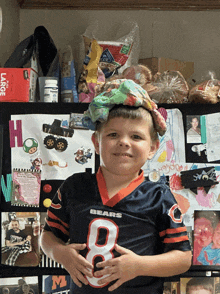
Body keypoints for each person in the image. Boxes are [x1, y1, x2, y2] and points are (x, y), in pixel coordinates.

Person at [40, 79, 192, 294]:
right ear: (96, 142)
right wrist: (58, 252)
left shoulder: (159, 196)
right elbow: (48, 236)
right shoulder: (74, 187)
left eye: (136, 136)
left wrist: (139, 266)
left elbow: (183, 258)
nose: (124, 142)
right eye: (113, 135)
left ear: (153, 148)